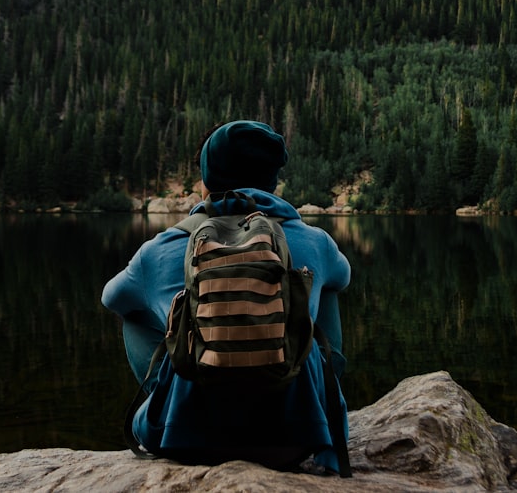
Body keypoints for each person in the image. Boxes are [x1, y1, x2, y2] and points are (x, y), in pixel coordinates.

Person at [101, 120, 352, 474]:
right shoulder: (315, 240)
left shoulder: (160, 249)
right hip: (293, 442)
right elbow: (344, 278)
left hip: (186, 442)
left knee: (133, 311)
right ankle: (324, 412)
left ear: (206, 181)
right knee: (322, 291)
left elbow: (111, 299)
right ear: (273, 180)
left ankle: (166, 405)